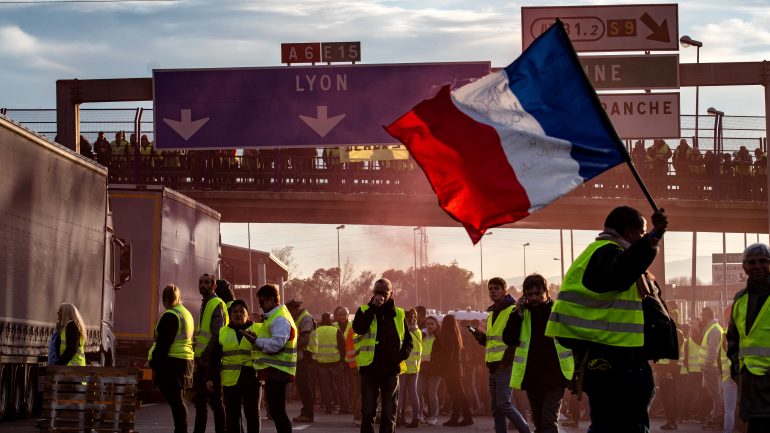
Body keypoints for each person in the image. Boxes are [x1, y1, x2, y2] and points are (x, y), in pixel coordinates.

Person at [546, 205, 671, 433]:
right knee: (623, 426)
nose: (643, 238)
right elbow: (621, 273)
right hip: (617, 361)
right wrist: (653, 239)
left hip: (612, 358)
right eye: (642, 233)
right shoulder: (608, 253)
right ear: (631, 233)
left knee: (609, 424)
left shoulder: (600, 254)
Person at [503, 274, 573, 433]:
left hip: (556, 376)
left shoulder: (557, 312)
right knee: (539, 423)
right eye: (529, 294)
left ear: (546, 292)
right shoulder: (521, 314)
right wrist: (517, 315)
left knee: (548, 423)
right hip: (532, 377)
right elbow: (509, 338)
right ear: (524, 295)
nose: (533, 298)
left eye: (537, 294)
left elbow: (571, 339)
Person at [352, 278, 413, 433]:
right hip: (370, 370)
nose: (379, 296)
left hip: (390, 371)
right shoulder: (364, 309)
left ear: (391, 294)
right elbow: (358, 328)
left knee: (388, 414)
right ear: (373, 293)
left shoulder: (398, 314)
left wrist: (399, 357)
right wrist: (373, 308)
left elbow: (408, 341)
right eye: (376, 292)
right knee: (368, 413)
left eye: (383, 293)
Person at [470, 277, 531, 433]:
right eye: (490, 289)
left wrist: (506, 361)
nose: (493, 291)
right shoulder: (492, 313)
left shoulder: (512, 310)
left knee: (503, 404)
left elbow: (514, 339)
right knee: (497, 408)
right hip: (492, 365)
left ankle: (525, 430)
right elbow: (491, 341)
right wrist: (479, 336)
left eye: (496, 288)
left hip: (504, 365)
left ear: (505, 290)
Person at [726, 243, 770, 433]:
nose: (757, 266)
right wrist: (737, 372)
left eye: (763, 261)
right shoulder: (740, 300)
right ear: (744, 267)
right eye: (752, 262)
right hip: (749, 385)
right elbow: (733, 341)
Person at [208, 300, 261, 433]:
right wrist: (210, 378)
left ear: (248, 314)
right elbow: (214, 359)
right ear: (230, 315)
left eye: (241, 311)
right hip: (231, 381)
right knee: (232, 417)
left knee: (253, 415)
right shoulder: (223, 332)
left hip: (252, 378)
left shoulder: (258, 330)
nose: (238, 314)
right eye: (235, 312)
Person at [149, 284, 195, 433]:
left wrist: (154, 363)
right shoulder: (185, 313)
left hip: (172, 363)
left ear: (164, 299)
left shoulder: (170, 315)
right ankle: (181, 429)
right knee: (178, 400)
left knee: (176, 401)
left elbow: (163, 344)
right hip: (185, 361)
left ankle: (181, 430)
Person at [253, 284, 297, 433]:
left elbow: (277, 344)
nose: (261, 307)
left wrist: (257, 341)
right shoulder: (276, 316)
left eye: (262, 302)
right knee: (277, 411)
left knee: (277, 411)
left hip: (278, 371)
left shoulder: (279, 319)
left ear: (271, 300)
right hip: (277, 370)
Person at [193, 274, 227, 433]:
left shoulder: (215, 303)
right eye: (200, 282)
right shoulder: (205, 303)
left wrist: (206, 357)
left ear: (214, 286)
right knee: (200, 403)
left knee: (215, 403)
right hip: (202, 361)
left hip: (212, 362)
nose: (202, 285)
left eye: (206, 283)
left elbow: (216, 334)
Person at [436, 314, 473, 426]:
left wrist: (442, 366)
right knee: (458, 393)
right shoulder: (455, 335)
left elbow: (448, 354)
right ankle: (465, 417)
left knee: (455, 394)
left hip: (450, 368)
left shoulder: (448, 336)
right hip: (456, 368)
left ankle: (457, 417)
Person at [313, 312, 349, 414]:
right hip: (336, 362)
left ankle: (329, 407)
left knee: (325, 387)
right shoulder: (336, 330)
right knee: (341, 385)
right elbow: (343, 346)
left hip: (321, 363)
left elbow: (312, 347)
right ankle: (344, 407)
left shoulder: (316, 331)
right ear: (330, 319)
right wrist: (341, 359)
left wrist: (316, 360)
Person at [287, 299, 316, 423]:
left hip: (305, 356)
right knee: (303, 385)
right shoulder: (300, 318)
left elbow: (305, 340)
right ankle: (306, 412)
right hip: (302, 356)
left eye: (289, 312)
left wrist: (288, 347)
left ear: (294, 309)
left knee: (305, 386)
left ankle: (308, 414)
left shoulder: (305, 318)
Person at [700, 306, 725, 429]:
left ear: (707, 316)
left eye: (702, 315)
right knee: (715, 394)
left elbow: (712, 352)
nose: (701, 318)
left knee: (716, 395)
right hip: (713, 367)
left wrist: (706, 366)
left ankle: (717, 420)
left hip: (712, 367)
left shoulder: (714, 330)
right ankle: (715, 417)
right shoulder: (712, 328)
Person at [397, 308, 422, 428]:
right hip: (415, 367)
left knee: (400, 394)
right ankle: (416, 418)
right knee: (413, 394)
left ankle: (397, 418)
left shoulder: (405, 333)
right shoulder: (418, 332)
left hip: (403, 367)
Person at [417, 316, 441, 426]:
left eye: (432, 324)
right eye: (428, 324)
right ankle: (420, 414)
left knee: (432, 393)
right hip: (422, 368)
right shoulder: (423, 337)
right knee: (419, 392)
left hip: (434, 369)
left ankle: (434, 416)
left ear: (436, 325)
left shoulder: (439, 338)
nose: (430, 326)